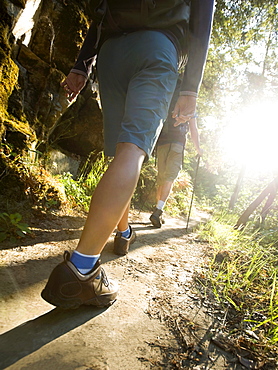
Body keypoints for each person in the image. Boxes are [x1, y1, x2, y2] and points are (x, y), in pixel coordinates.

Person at [41, 0, 215, 309]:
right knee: (131, 151)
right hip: (158, 46)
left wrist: (82, 64)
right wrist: (191, 89)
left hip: (111, 53)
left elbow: (99, 11)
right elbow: (203, 19)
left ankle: (123, 231)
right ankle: (82, 270)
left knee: (118, 155)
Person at [150, 92, 203, 228]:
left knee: (161, 178)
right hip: (177, 145)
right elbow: (193, 129)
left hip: (161, 143)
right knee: (169, 178)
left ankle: (157, 210)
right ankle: (158, 211)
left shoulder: (166, 98)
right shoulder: (188, 105)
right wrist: (198, 149)